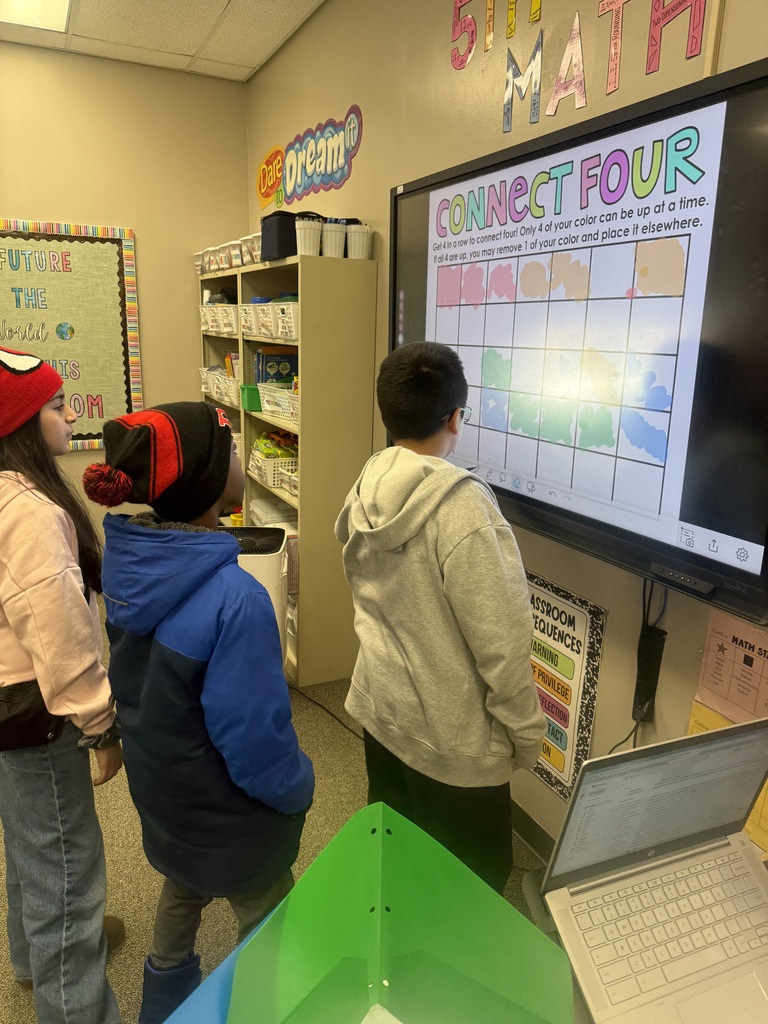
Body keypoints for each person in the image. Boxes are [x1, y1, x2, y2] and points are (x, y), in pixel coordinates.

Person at [82, 401, 314, 1024]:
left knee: (181, 892)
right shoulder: (235, 597)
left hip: (165, 801)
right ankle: (264, 1008)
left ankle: (164, 1009)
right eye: (232, 449)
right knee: (267, 918)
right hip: (231, 820)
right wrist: (298, 785)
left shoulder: (131, 567)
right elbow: (254, 738)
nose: (241, 458)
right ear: (211, 480)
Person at [335, 341, 546, 894]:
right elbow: (502, 644)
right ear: (455, 417)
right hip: (456, 745)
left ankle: (398, 972)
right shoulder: (465, 511)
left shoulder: (369, 481)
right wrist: (526, 737)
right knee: (468, 890)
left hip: (385, 712)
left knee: (398, 860)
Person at [0, 346, 124, 1024]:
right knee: (68, 870)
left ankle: (30, 957)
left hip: (7, 708)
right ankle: (74, 1004)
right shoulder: (28, 512)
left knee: (29, 843)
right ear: (18, 421)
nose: (70, 413)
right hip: (37, 712)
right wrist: (100, 724)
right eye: (55, 404)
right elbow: (62, 636)